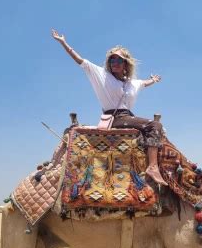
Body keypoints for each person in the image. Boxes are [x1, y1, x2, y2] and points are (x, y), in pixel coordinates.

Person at [51, 29, 167, 186]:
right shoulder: (102, 76)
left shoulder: (132, 83)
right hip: (115, 119)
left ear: (125, 64)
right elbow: (81, 61)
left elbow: (143, 83)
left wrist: (152, 80)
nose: (114, 64)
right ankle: (152, 167)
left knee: (156, 132)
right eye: (112, 61)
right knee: (155, 125)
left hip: (129, 118)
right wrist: (63, 42)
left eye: (118, 60)